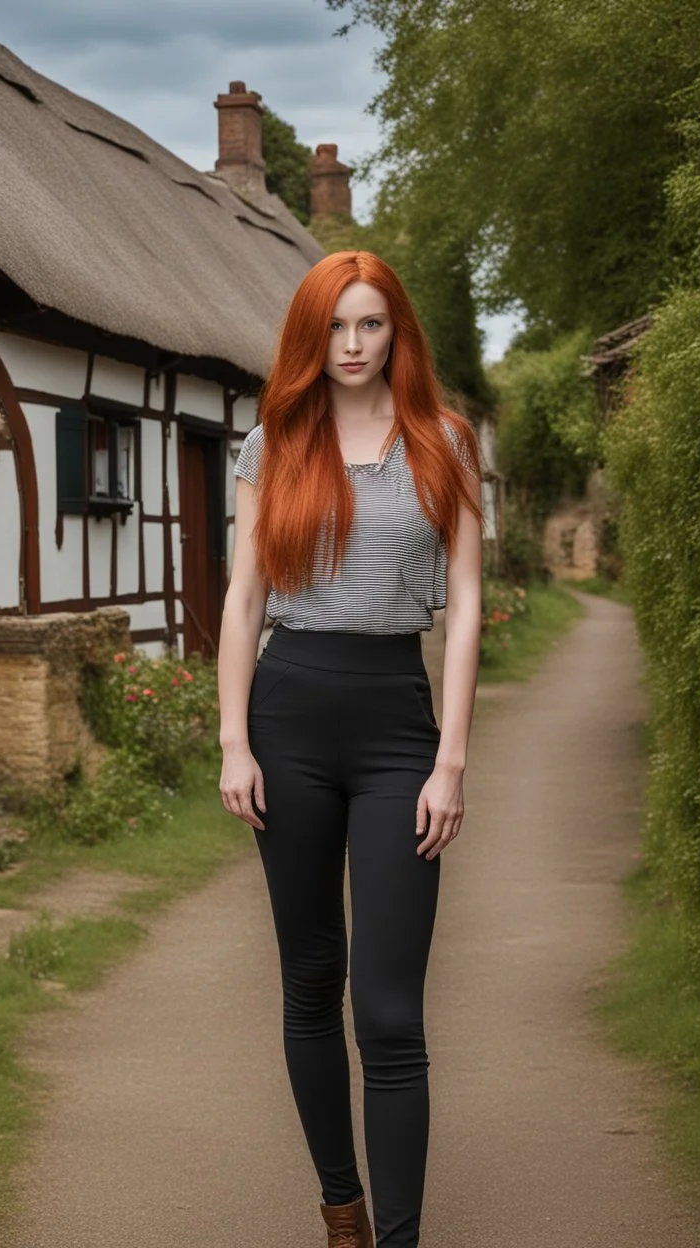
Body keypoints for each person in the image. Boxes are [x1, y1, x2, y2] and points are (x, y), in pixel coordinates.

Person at [217, 250, 483, 1248]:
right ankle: (343, 1213)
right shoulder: (270, 444)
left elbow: (460, 616)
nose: (354, 345)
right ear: (310, 337)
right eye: (336, 327)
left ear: (397, 333)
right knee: (310, 978)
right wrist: (233, 739)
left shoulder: (443, 444)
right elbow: (244, 602)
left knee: (388, 1010)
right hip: (286, 717)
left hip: (395, 728)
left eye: (372, 325)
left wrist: (449, 759)